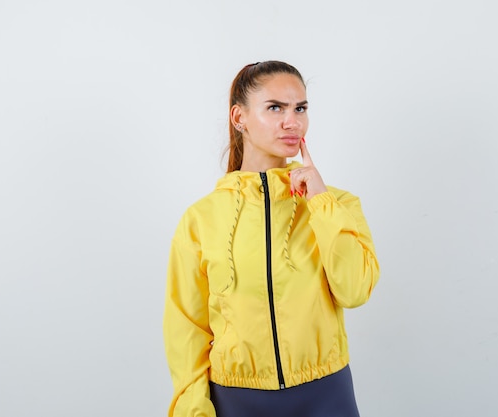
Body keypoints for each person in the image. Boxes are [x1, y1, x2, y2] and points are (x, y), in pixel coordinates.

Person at [163, 60, 380, 417]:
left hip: (326, 395)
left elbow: (354, 290)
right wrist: (192, 409)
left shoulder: (336, 204)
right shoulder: (200, 220)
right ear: (239, 118)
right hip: (236, 400)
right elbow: (186, 328)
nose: (291, 121)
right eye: (275, 107)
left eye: (300, 108)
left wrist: (320, 201)